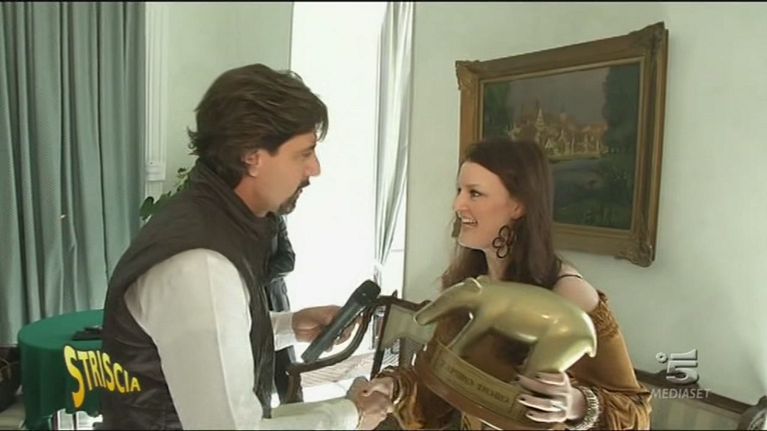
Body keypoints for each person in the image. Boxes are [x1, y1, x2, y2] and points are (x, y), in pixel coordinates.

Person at [100, 64, 391, 430]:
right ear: (252, 156)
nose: (314, 169)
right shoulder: (201, 266)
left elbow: (208, 343)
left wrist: (288, 325)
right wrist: (353, 415)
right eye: (304, 153)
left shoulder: (208, 222)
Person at [367, 138, 652, 430]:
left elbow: (637, 414)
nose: (458, 205)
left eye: (475, 193)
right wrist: (393, 389)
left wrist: (576, 404)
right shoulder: (469, 283)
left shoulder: (569, 294)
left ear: (518, 206)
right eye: (459, 191)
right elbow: (441, 388)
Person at [266, 215, 303, 404]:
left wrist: (255, 275)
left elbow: (288, 261)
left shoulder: (275, 217)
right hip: (242, 302)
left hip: (275, 300)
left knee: (287, 371)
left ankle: (298, 413)